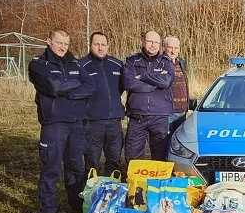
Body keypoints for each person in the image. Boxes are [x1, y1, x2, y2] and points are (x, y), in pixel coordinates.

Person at [28, 29, 95, 213]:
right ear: (49, 41)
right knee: (52, 169)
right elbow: (52, 87)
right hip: (54, 124)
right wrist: (73, 86)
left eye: (66, 43)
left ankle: (76, 205)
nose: (63, 47)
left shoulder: (74, 63)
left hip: (76, 123)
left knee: (75, 166)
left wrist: (69, 92)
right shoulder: (38, 64)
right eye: (59, 43)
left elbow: (90, 85)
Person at [123, 30, 175, 162]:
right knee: (133, 156)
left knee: (160, 157)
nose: (153, 45)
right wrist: (153, 85)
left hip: (160, 115)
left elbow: (166, 81)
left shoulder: (166, 62)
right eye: (150, 41)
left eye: (156, 42)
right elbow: (129, 82)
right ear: (143, 42)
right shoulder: (132, 61)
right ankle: (135, 181)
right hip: (137, 116)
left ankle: (158, 182)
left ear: (160, 45)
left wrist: (143, 76)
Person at [79, 32, 125, 176]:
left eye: (103, 45)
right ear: (90, 45)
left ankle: (112, 193)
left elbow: (123, 87)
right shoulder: (81, 65)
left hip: (114, 121)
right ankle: (91, 194)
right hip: (92, 122)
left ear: (108, 46)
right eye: (96, 44)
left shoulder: (117, 65)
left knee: (114, 159)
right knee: (92, 162)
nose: (100, 48)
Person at [162, 35, 190, 134]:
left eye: (176, 48)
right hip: (166, 113)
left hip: (182, 112)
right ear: (164, 47)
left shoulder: (181, 62)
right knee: (165, 143)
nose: (173, 51)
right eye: (170, 47)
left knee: (178, 144)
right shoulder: (159, 63)